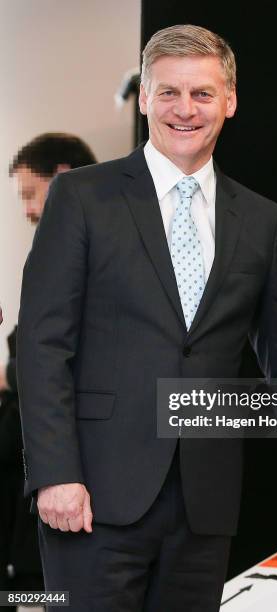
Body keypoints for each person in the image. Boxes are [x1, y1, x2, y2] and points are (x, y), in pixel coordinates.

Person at [17, 25, 277, 612]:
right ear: (144, 99)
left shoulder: (261, 221)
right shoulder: (83, 199)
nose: (184, 110)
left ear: (230, 102)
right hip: (91, 499)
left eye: (202, 94)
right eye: (168, 93)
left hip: (205, 507)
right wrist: (56, 474)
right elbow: (40, 347)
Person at [0, 134, 96, 609]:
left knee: (46, 592)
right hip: (36, 461)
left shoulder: (93, 250)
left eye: (28, 194)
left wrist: (7, 376)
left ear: (61, 178)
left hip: (70, 468)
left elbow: (66, 357)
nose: (27, 210)